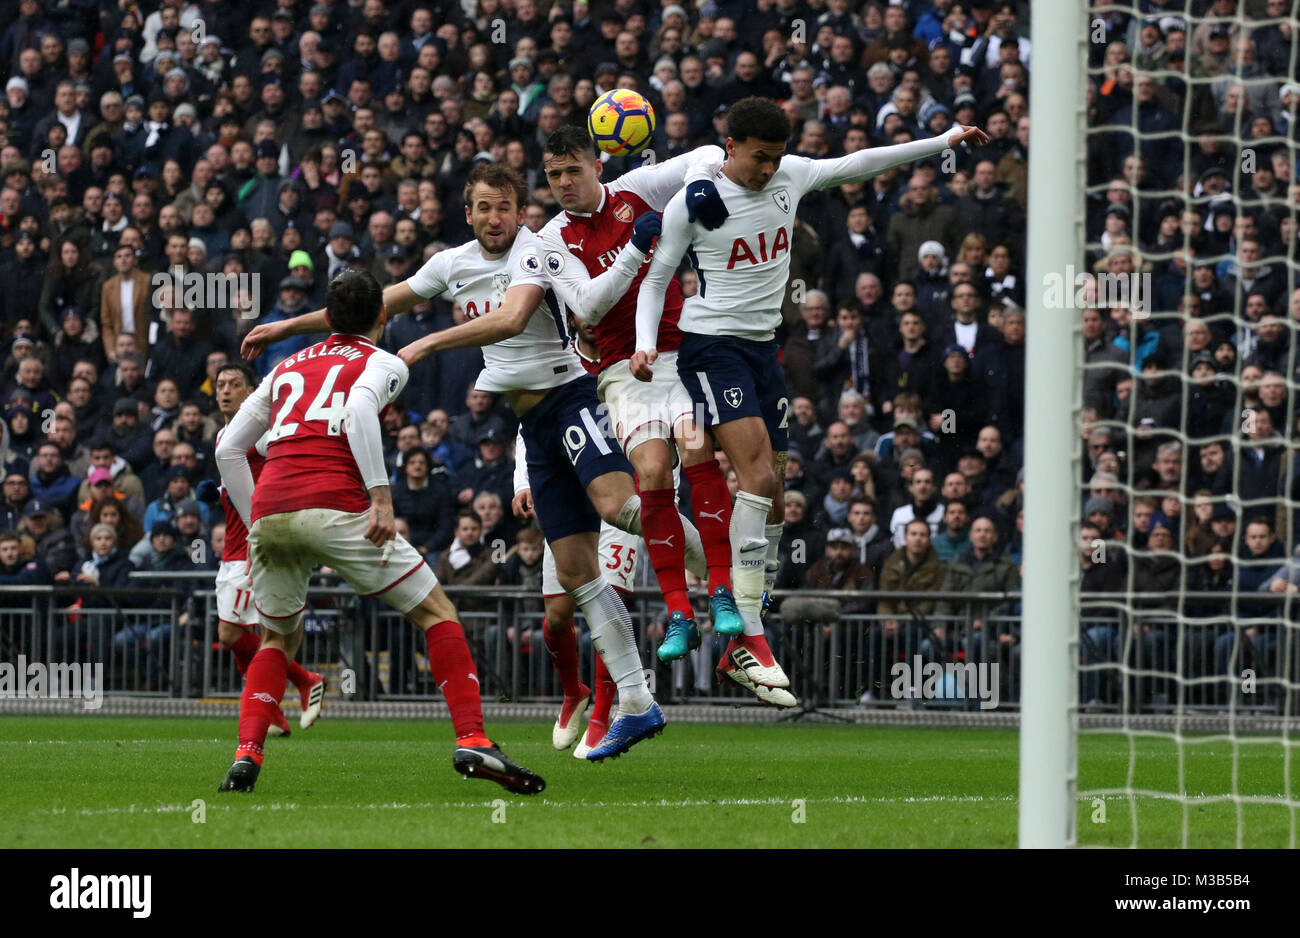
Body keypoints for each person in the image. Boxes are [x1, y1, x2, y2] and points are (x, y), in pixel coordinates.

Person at [240, 164, 694, 756]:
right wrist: (285, 327)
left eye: (504, 207)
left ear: (520, 211)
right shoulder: (451, 264)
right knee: (579, 574)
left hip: (570, 396)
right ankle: (637, 702)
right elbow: (370, 306)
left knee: (620, 505)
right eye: (483, 207)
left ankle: (725, 572)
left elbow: (509, 318)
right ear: (468, 213)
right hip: (532, 423)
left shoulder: (536, 249)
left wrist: (427, 341)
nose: (494, 218)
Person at [634, 96, 987, 707]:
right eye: (759, 158)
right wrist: (643, 345)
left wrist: (945, 139)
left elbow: (864, 161)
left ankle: (748, 614)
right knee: (759, 474)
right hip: (710, 346)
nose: (769, 169)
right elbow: (659, 276)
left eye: (776, 157)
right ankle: (746, 627)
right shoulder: (698, 200)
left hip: (764, 350)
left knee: (774, 491)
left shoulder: (791, 174)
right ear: (731, 147)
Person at [215, 269, 544, 794]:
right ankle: (474, 739)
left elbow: (228, 449)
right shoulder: (383, 361)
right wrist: (381, 497)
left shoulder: (287, 366)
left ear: (327, 317)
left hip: (272, 511)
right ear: (383, 317)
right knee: (437, 612)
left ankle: (246, 755)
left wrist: (256, 513)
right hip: (339, 508)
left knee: (276, 638)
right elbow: (359, 411)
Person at [195, 361, 325, 736]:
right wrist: (217, 491)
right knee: (241, 638)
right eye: (220, 384)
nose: (225, 390)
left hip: (254, 545)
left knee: (232, 634)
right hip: (234, 546)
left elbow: (278, 472)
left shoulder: (265, 433)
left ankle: (305, 680)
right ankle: (273, 716)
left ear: (252, 393)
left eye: (235, 384)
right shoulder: (224, 438)